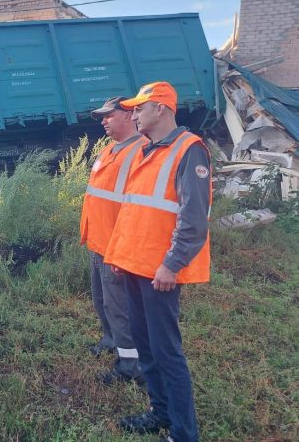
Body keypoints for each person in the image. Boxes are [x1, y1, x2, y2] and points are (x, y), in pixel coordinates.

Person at [104, 82, 212, 442]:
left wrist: (172, 264)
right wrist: (119, 255)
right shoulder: (146, 150)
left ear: (161, 109)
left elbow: (194, 219)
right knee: (146, 346)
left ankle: (184, 433)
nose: (133, 115)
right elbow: (132, 210)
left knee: (167, 353)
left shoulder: (189, 150)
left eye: (139, 109)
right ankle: (159, 413)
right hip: (134, 266)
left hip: (160, 273)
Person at [80, 96, 145, 385]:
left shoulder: (141, 151)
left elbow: (138, 207)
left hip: (117, 246)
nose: (103, 121)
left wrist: (124, 247)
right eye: (101, 117)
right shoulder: (109, 150)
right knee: (102, 300)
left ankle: (132, 364)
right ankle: (110, 339)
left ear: (130, 115)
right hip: (99, 241)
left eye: (109, 115)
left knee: (119, 305)